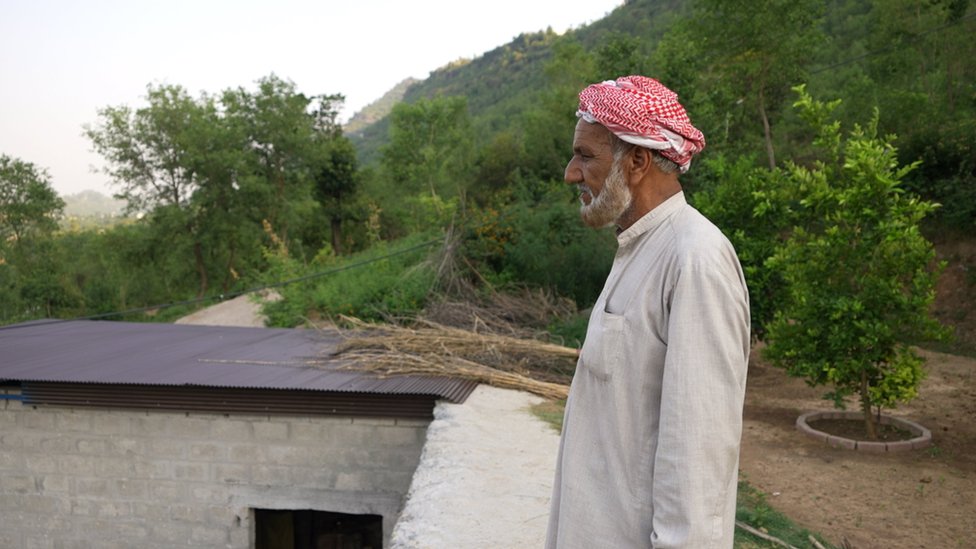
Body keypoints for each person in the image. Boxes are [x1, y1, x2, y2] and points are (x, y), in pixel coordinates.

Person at [545, 76, 751, 548]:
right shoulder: (640, 249)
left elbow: (698, 457)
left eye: (585, 155)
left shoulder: (694, 258)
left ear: (637, 161)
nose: (571, 173)